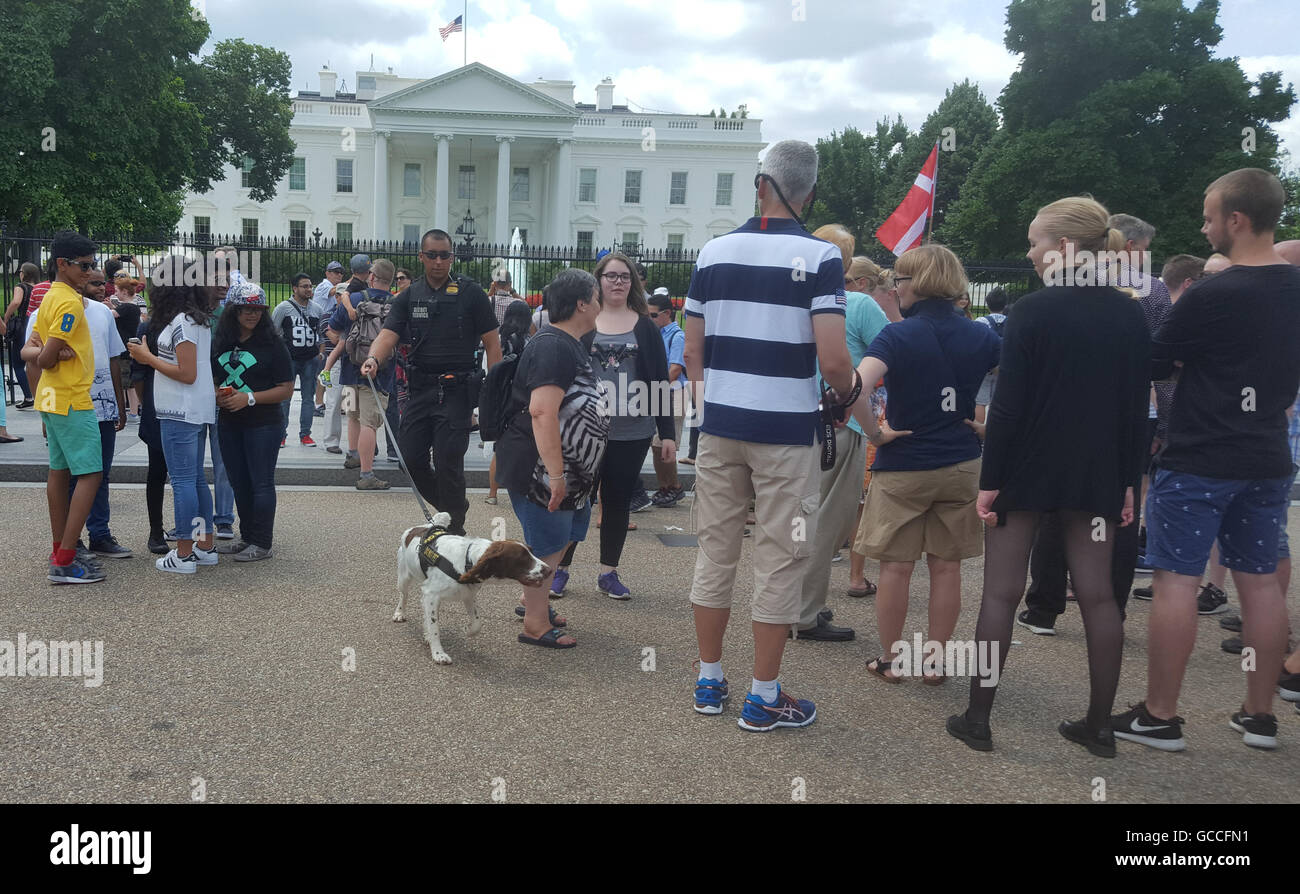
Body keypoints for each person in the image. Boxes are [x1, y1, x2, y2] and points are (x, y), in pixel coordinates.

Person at [944, 197, 1149, 756]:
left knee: (1002, 593)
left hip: (1028, 464)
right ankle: (1100, 727)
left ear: (1063, 248)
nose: (1029, 252)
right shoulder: (1130, 313)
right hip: (1099, 469)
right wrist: (1129, 482)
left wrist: (992, 480)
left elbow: (1008, 408)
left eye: (1035, 242)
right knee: (1099, 597)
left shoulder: (1032, 313)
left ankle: (979, 718)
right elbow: (1137, 408)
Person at [1112, 168, 1300, 753]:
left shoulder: (1213, 293)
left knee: (1176, 580)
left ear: (1235, 220)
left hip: (1199, 455)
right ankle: (1259, 715)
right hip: (1268, 453)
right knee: (1262, 584)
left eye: (1209, 215)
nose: (1203, 225)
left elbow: (1154, 362)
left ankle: (1161, 714)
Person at [685, 139, 857, 731]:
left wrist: (713, 410)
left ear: (761, 183)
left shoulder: (713, 251)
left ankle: (709, 680)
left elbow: (692, 351)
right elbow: (835, 361)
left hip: (722, 425)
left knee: (716, 550)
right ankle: (763, 694)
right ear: (809, 192)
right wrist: (847, 393)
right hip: (786, 430)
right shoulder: (822, 257)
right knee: (782, 557)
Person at [849, 244, 999, 685]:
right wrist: (984, 426)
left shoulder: (897, 335)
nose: (895, 291)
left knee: (896, 567)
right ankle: (934, 661)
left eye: (898, 282)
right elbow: (1019, 386)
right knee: (947, 566)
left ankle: (893, 660)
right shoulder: (982, 335)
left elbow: (857, 389)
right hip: (961, 461)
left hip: (905, 462)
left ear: (913, 284)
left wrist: (876, 434)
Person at [549, 252, 675, 601]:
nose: (618, 282)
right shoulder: (584, 321)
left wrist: (668, 435)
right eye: (611, 276)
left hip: (632, 431)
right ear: (598, 280)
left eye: (624, 276)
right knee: (575, 499)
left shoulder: (645, 326)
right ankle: (560, 569)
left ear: (632, 282)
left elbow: (659, 380)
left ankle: (608, 572)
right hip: (585, 431)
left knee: (617, 501)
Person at [494, 269, 609, 647]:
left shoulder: (567, 342)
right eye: (596, 296)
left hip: (566, 471)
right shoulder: (554, 346)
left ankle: (533, 603)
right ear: (581, 304)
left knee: (560, 539)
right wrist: (557, 475)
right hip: (542, 470)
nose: (600, 303)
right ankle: (536, 624)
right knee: (547, 544)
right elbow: (542, 411)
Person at [362, 230, 501, 534]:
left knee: (448, 461)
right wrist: (374, 358)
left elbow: (492, 342)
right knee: (409, 458)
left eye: (445, 255)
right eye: (433, 255)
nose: (439, 261)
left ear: (452, 256)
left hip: (457, 391)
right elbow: (388, 334)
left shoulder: (471, 293)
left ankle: (454, 531)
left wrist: (496, 386)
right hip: (421, 389)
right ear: (421, 257)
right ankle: (452, 509)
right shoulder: (410, 296)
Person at [792, 224, 890, 641]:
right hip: (841, 423)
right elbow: (894, 348)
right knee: (830, 520)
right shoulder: (859, 304)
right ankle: (804, 612)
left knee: (796, 518)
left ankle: (789, 603)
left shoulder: (791, 301)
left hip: (792, 421)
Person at [128, 259, 218, 574]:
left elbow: (186, 373)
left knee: (183, 481)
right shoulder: (195, 319)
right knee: (192, 479)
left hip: (179, 409)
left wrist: (147, 357)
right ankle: (203, 546)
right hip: (190, 409)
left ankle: (183, 554)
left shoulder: (182, 322)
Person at [29, 231, 106, 584]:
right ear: (63, 264)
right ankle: (64, 560)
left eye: (93, 265)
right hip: (72, 397)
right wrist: (53, 352)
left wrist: (50, 351)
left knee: (59, 473)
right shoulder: (71, 302)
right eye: (85, 266)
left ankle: (61, 548)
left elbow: (37, 349)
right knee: (90, 473)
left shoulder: (49, 296)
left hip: (51, 397)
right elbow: (44, 357)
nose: (91, 272)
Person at [211, 281, 294, 560]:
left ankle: (262, 542)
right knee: (238, 481)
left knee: (261, 482)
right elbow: (214, 378)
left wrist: (249, 398)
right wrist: (217, 395)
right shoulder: (222, 341)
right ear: (233, 310)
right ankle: (246, 537)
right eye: (245, 308)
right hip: (229, 422)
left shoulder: (273, 344)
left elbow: (285, 388)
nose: (252, 314)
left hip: (264, 423)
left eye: (258, 309)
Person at [68, 270, 131, 559]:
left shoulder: (103, 314)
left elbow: (113, 358)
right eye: (93, 283)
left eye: (100, 283)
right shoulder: (52, 310)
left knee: (101, 473)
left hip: (103, 404)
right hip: (69, 406)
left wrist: (120, 402)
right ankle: (72, 538)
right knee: (72, 474)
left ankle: (100, 534)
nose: (99, 289)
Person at [327, 258, 399, 490]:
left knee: (353, 416)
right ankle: (367, 475)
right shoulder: (396, 305)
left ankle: (353, 454)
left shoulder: (354, 299)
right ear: (390, 280)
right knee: (371, 423)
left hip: (349, 370)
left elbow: (333, 328)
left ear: (371, 276)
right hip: (379, 373)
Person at [485, 299, 533, 505]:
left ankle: (492, 494)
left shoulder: (498, 338)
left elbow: (490, 367)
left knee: (499, 445)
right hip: (521, 397)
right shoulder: (529, 341)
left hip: (499, 395)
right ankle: (524, 490)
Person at [647, 288, 688, 507]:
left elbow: (675, 370)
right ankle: (666, 486)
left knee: (665, 444)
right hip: (661, 392)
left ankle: (674, 487)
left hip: (673, 393)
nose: (650, 319)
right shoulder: (658, 334)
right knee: (657, 444)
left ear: (667, 313)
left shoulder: (677, 336)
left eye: (654, 315)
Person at [271, 273, 322, 447]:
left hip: (310, 360)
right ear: (294, 288)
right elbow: (273, 333)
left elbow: (321, 334)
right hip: (289, 360)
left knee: (309, 398)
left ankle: (305, 434)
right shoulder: (283, 308)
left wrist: (319, 353)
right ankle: (281, 434)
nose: (308, 289)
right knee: (285, 398)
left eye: (310, 286)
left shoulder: (317, 309)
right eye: (304, 286)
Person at [4, 262, 39, 410]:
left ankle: (29, 396)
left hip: (22, 326)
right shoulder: (37, 288)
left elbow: (16, 301)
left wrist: (6, 317)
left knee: (18, 363)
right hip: (34, 325)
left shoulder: (21, 286)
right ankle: (37, 393)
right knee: (34, 363)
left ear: (24, 273)